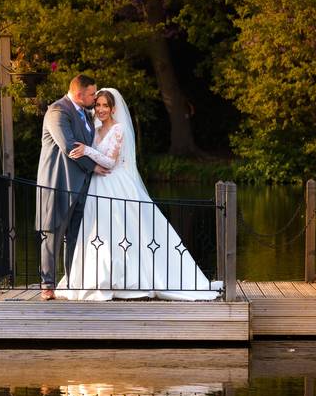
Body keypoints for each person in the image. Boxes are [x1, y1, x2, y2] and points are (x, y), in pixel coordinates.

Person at [54, 88, 222, 300]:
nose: (101, 109)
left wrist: (86, 151)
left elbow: (110, 162)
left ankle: (129, 278)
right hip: (96, 185)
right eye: (98, 105)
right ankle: (95, 279)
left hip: (115, 183)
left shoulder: (118, 129)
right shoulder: (93, 129)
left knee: (124, 231)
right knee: (98, 232)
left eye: (106, 105)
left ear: (113, 109)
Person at [35, 75, 108, 300]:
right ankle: (47, 285)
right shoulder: (58, 112)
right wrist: (94, 166)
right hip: (58, 184)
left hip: (82, 185)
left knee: (75, 236)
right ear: (78, 94)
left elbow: (86, 145)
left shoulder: (85, 114)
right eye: (91, 94)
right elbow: (69, 147)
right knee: (53, 234)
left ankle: (71, 281)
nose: (94, 98)